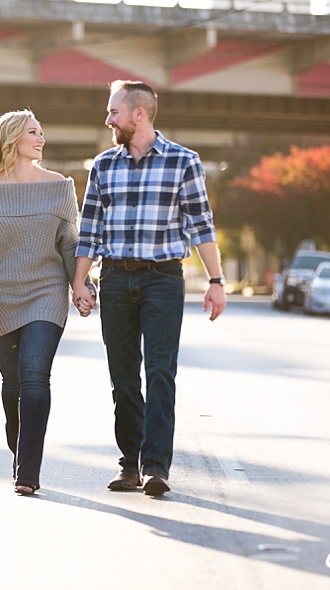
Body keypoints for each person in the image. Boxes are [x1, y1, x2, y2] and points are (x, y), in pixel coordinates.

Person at [71, 80, 226, 497]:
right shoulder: (102, 166)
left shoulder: (183, 162)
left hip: (163, 279)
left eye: (114, 112)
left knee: (160, 371)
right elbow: (89, 231)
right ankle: (130, 464)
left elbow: (201, 225)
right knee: (122, 375)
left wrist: (215, 281)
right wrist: (79, 280)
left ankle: (156, 466)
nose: (108, 119)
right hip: (116, 278)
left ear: (139, 114)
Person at [0, 109, 89, 496]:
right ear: (13, 139)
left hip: (46, 294)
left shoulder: (60, 187)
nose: (42, 138)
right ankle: (19, 448)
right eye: (33, 132)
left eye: (42, 132)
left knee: (35, 375)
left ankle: (28, 471)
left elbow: (70, 244)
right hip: (1, 297)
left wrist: (80, 286)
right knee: (13, 383)